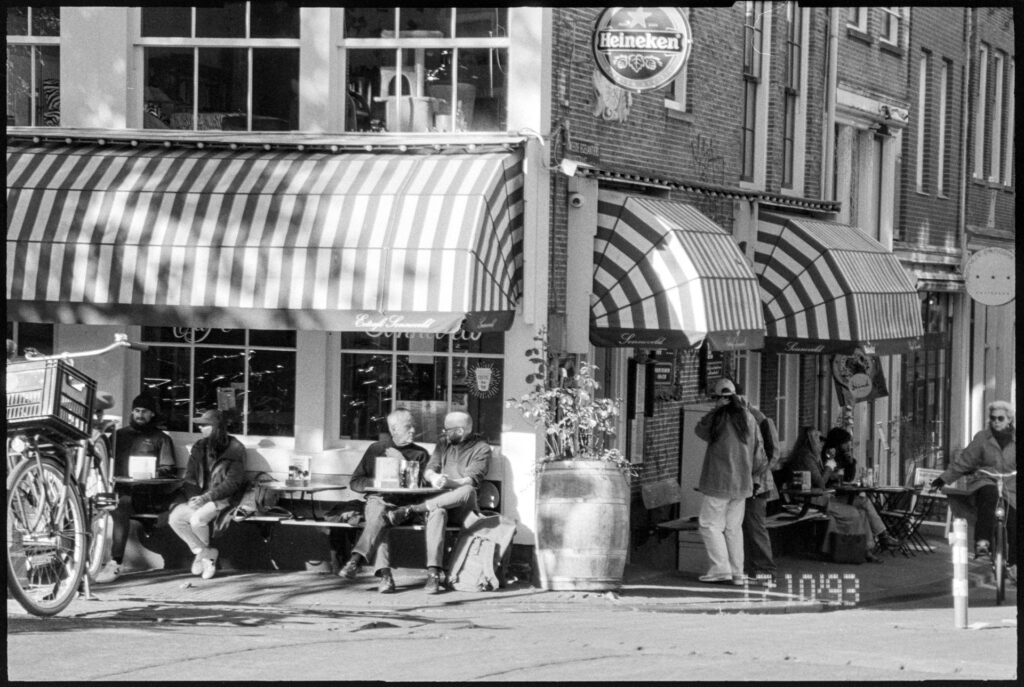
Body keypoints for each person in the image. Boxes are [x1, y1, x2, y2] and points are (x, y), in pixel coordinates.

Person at [386, 410, 490, 593]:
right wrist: (434, 477)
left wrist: (450, 482)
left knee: (467, 490)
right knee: (437, 512)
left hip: (465, 509)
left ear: (460, 431)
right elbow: (430, 468)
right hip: (440, 502)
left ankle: (414, 509)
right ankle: (433, 573)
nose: (444, 433)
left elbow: (471, 480)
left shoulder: (481, 448)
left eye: (447, 430)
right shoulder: (444, 444)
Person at [337, 408, 430, 593]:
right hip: (379, 500)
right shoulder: (376, 449)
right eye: (408, 427)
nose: (413, 431)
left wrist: (402, 461)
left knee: (379, 519)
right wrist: (377, 482)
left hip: (404, 507)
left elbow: (422, 489)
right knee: (378, 513)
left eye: (414, 426)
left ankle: (358, 561)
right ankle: (383, 575)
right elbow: (355, 482)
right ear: (394, 429)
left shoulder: (420, 454)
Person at [94, 393, 178, 584]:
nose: (140, 415)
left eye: (145, 412)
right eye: (137, 411)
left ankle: (115, 562)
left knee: (121, 505)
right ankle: (85, 560)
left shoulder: (161, 439)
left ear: (152, 415)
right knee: (102, 503)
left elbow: (169, 470)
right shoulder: (119, 435)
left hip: (148, 494)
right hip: (121, 489)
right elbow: (103, 462)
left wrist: (150, 474)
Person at [930, 400, 1016, 571]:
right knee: (989, 496)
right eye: (993, 418)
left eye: (1000, 418)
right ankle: (983, 542)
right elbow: (965, 461)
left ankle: (1014, 563)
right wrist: (943, 478)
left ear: (1009, 420)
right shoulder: (982, 438)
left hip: (1011, 483)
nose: (996, 422)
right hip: (986, 478)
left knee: (1014, 519)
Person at [694, 378, 762, 585]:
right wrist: (755, 477)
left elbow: (700, 430)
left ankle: (720, 568)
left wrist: (715, 410)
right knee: (733, 528)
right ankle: (738, 573)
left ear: (719, 399)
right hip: (742, 482)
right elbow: (759, 451)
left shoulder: (718, 418)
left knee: (709, 525)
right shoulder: (748, 417)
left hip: (719, 480)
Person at [168, 409, 246, 580]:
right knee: (175, 518)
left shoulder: (235, 448)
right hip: (200, 498)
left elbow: (233, 483)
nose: (201, 428)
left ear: (217, 426)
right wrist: (193, 497)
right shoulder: (199, 446)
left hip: (222, 499)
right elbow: (190, 477)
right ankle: (205, 553)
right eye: (200, 425)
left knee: (197, 520)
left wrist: (206, 498)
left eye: (205, 425)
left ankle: (205, 558)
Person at [800, 427, 899, 561]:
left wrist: (850, 463)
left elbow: (847, 478)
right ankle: (872, 545)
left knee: (864, 503)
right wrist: (831, 464)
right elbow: (822, 482)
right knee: (859, 511)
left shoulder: (821, 456)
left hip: (833, 494)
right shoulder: (815, 457)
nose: (821, 444)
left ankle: (875, 542)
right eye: (819, 441)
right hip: (824, 498)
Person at [733, 382, 779, 583]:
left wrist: (757, 477)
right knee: (743, 527)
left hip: (757, 485)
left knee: (754, 526)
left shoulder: (759, 419)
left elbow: (773, 453)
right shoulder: (736, 418)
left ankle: (765, 571)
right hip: (741, 482)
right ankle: (751, 569)